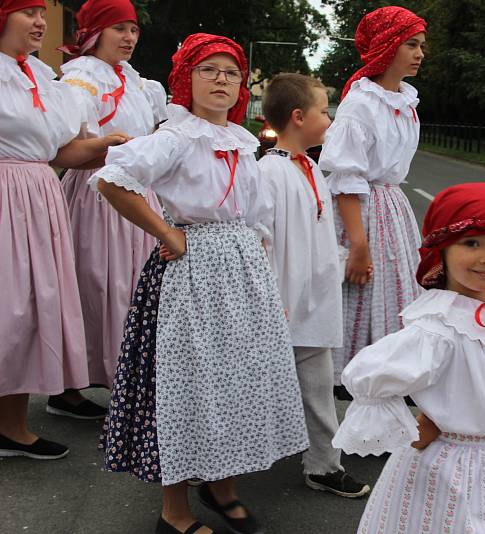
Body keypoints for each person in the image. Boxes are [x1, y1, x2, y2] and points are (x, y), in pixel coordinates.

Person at [94, 33, 308, 534]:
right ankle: (174, 512)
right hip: (191, 276)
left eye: (231, 73)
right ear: (185, 79)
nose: (221, 80)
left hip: (240, 272)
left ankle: (222, 486)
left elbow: (258, 221)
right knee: (187, 388)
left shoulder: (242, 142)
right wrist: (168, 231)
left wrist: (265, 287)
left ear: (241, 88)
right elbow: (112, 178)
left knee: (234, 382)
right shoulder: (177, 135)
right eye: (208, 69)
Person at [332, 182, 485, 533]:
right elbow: (368, 374)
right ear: (442, 250)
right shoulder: (438, 326)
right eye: (472, 243)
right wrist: (421, 422)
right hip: (451, 465)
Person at [0, 0, 128, 460]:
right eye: (28, 13)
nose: (40, 23)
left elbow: (58, 153)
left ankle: (10, 424)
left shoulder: (38, 77)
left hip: (36, 193)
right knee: (8, 308)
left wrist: (110, 147)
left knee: (31, 306)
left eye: (41, 13)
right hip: (5, 193)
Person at [47, 0, 167, 419]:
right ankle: (81, 386)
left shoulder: (137, 82)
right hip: (99, 194)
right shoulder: (80, 79)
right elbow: (65, 150)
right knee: (99, 285)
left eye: (133, 29)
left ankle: (128, 381)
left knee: (135, 287)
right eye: (119, 28)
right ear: (96, 33)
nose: (130, 37)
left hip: (138, 193)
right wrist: (105, 148)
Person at [257, 73, 370, 499]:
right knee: (256, 387)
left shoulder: (311, 168)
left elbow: (318, 231)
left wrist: (338, 263)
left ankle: (323, 464)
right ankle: (220, 458)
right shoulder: (269, 172)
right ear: (299, 117)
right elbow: (263, 239)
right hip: (283, 302)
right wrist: (271, 297)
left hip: (315, 301)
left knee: (320, 389)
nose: (330, 117)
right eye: (324, 110)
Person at [318, 6, 426, 392]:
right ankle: (344, 393)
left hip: (392, 209)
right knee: (358, 300)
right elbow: (347, 176)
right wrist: (358, 243)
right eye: (410, 44)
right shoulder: (360, 103)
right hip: (361, 211)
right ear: (388, 46)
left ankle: (381, 397)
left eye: (421, 46)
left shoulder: (405, 102)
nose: (418, 53)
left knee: (392, 300)